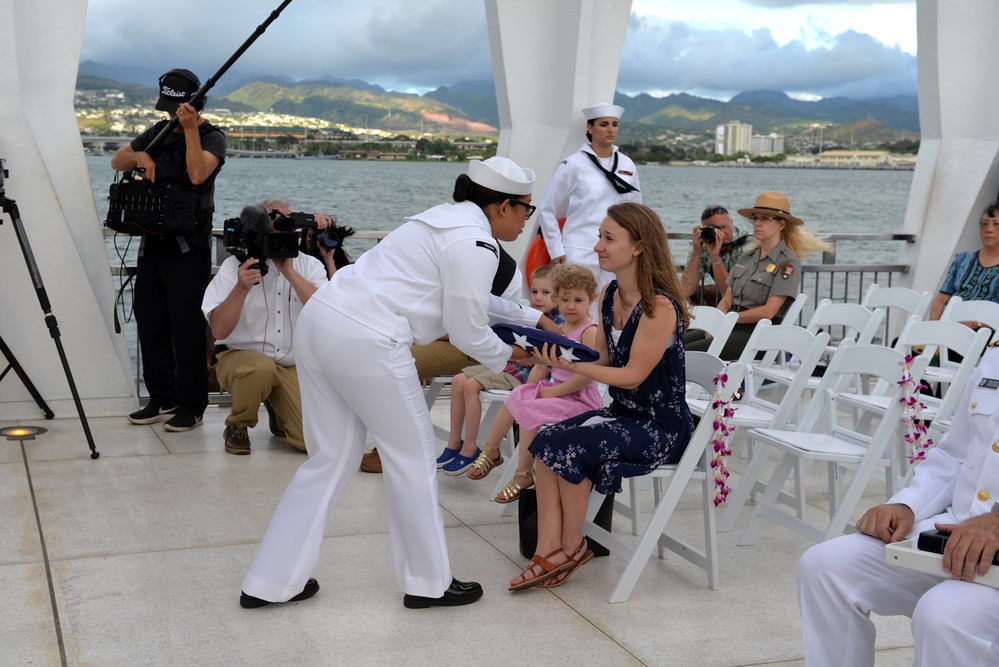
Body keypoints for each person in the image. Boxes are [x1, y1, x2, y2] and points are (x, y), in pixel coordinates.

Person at [240, 156, 557, 610]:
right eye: (526, 209)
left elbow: (465, 297)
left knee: (328, 461)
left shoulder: (437, 222)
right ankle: (428, 584)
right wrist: (518, 355)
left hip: (321, 324)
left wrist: (531, 316)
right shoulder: (475, 243)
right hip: (367, 340)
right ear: (503, 206)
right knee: (410, 458)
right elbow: (468, 329)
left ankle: (271, 582)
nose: (527, 219)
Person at [508, 202, 693, 591]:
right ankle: (548, 549)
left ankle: (572, 547)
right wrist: (556, 351)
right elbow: (605, 357)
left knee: (571, 446)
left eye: (608, 238)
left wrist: (573, 367)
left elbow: (631, 375)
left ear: (638, 247)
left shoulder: (659, 308)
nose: (598, 247)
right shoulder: (609, 295)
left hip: (659, 427)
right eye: (599, 237)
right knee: (544, 440)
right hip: (623, 413)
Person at [797, 342, 999, 665]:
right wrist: (907, 505)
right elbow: (955, 456)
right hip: (951, 536)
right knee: (823, 568)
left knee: (941, 617)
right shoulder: (995, 357)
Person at [358, 229, 548, 474]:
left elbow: (479, 325)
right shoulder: (471, 256)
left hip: (472, 345)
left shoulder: (495, 268)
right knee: (386, 352)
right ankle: (395, 446)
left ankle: (396, 451)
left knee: (398, 363)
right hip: (452, 336)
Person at [113, 68, 226, 431]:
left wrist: (191, 130)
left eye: (175, 109)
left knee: (187, 329)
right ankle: (160, 398)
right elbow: (118, 159)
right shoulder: (158, 131)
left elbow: (197, 175)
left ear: (192, 106)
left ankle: (191, 405)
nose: (170, 116)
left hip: (187, 249)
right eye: (168, 110)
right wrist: (141, 158)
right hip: (151, 245)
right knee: (150, 323)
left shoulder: (212, 137)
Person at [201, 200, 331, 455]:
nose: (281, 236)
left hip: (290, 362)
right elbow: (218, 331)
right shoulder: (234, 266)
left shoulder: (309, 266)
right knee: (259, 369)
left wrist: (290, 273)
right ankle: (237, 426)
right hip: (241, 357)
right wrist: (241, 288)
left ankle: (278, 410)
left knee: (312, 442)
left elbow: (326, 313)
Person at [467, 264, 603, 503]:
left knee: (531, 411)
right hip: (556, 393)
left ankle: (523, 474)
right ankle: (492, 449)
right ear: (557, 298)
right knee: (517, 397)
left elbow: (589, 374)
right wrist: (529, 389)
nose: (571, 305)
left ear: (591, 300)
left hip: (578, 398)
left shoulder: (588, 331)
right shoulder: (559, 328)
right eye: (565, 299)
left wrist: (554, 392)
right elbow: (542, 364)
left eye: (578, 300)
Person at [436, 264, 564, 476]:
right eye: (534, 292)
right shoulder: (526, 315)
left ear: (557, 296)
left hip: (522, 373)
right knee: (458, 380)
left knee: (470, 386)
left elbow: (551, 358)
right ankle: (454, 443)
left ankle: (471, 448)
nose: (538, 298)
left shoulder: (557, 323)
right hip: (508, 364)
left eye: (546, 293)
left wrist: (528, 357)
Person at [684, 192, 829, 360]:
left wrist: (727, 319)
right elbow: (727, 300)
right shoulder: (748, 257)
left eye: (765, 219)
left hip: (758, 333)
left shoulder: (787, 263)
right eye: (755, 219)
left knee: (686, 355)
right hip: (730, 324)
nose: (758, 224)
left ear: (781, 224)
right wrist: (714, 322)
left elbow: (768, 312)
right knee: (674, 345)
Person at [536, 102, 641, 297]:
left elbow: (636, 209)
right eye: (604, 124)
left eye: (614, 124)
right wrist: (556, 249)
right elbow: (547, 207)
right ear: (590, 128)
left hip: (616, 249)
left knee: (613, 302)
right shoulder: (574, 164)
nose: (611, 130)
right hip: (579, 247)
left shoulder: (627, 164)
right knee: (577, 304)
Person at [929, 201, 999, 325]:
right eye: (984, 224)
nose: (989, 230)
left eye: (996, 224)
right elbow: (941, 299)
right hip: (949, 324)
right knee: (900, 340)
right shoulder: (962, 260)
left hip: (986, 330)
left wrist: (974, 323)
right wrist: (934, 326)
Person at [680, 204, 750, 306]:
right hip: (725, 301)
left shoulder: (746, 244)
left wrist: (715, 256)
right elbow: (686, 290)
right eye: (716, 228)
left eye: (724, 227)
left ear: (732, 224)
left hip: (744, 301)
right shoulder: (703, 243)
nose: (722, 232)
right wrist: (696, 251)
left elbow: (732, 293)